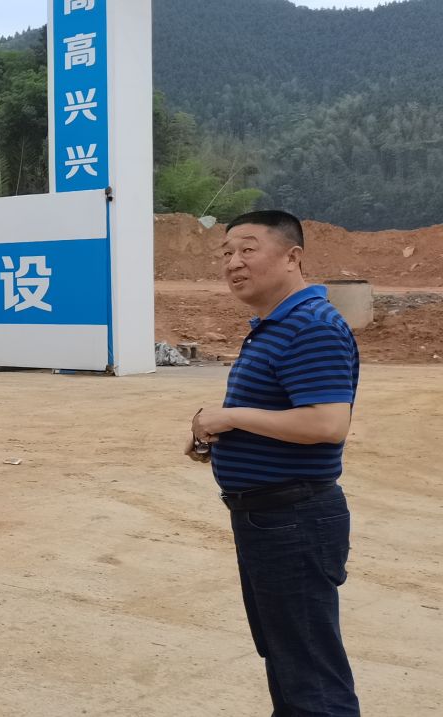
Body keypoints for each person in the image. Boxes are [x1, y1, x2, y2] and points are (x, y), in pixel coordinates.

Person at [188, 210, 361, 715]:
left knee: (310, 672)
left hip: (294, 519)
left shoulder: (310, 326)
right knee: (288, 658)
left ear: (292, 257)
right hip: (270, 516)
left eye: (248, 249)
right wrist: (218, 433)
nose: (233, 263)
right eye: (226, 253)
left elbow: (327, 423)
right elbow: (283, 414)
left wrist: (231, 417)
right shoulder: (276, 326)